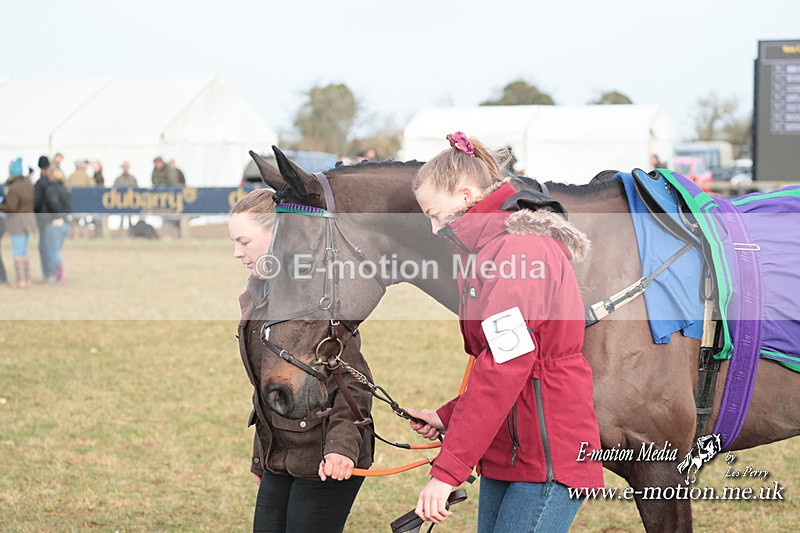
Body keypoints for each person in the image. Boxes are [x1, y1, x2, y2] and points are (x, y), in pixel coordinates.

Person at [407, 132, 604, 532]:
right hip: (513, 446)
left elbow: (505, 366)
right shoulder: (489, 249)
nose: (432, 229)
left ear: (465, 194)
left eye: (434, 214)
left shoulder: (518, 251)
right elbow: (502, 362)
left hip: (548, 452)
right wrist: (449, 416)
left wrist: (447, 473)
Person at [229, 188, 374, 532]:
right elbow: (269, 385)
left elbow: (353, 382)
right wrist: (262, 457)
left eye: (244, 241)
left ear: (279, 235)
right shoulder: (258, 294)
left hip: (328, 456)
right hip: (281, 455)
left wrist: (340, 449)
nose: (237, 253)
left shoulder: (317, 299)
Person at [0, 158, 38, 288]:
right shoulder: (28, 185)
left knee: (17, 252)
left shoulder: (14, 188)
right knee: (24, 251)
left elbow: (11, 207)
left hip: (17, 223)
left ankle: (20, 280)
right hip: (28, 221)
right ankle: (27, 279)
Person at [41, 168, 72, 283]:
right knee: (56, 250)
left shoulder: (51, 189)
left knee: (52, 251)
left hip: (55, 223)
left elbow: (53, 204)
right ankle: (58, 274)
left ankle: (58, 274)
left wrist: (57, 217)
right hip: (64, 223)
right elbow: (68, 206)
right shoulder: (64, 189)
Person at [34, 155, 53, 279]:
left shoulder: (40, 184)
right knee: (51, 245)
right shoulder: (53, 182)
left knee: (44, 246)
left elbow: (36, 202)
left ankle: (48, 273)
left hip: (43, 218)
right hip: (52, 218)